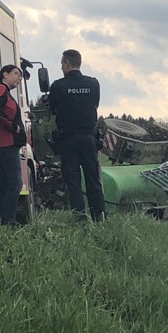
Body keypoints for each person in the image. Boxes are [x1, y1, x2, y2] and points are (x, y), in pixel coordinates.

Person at [48, 49, 105, 222]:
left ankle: (80, 218)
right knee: (93, 179)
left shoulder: (58, 86)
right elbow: (95, 104)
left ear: (66, 63)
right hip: (89, 138)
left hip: (68, 139)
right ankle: (99, 217)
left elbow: (53, 109)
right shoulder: (93, 84)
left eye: (62, 64)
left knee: (73, 181)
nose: (61, 67)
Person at [0, 64, 26, 225]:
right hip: (6, 143)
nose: (19, 78)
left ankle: (3, 220)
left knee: (5, 183)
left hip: (7, 143)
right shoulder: (0, 89)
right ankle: (8, 220)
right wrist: (13, 126)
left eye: (21, 76)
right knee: (16, 183)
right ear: (5, 74)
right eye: (16, 73)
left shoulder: (3, 91)